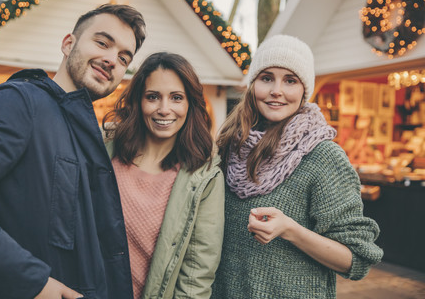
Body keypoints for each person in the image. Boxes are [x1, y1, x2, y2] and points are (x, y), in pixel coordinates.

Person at [0, 4, 146, 299]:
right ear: (68, 44)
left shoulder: (87, 135)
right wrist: (33, 283)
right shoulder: (19, 103)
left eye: (123, 57)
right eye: (102, 43)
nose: (111, 59)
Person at [211, 35, 384, 299]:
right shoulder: (227, 149)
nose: (276, 90)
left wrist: (291, 230)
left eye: (290, 80)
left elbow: (356, 260)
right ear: (253, 84)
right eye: (266, 77)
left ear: (304, 90)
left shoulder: (323, 157)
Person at [103, 52, 224, 299]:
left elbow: (196, 276)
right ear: (139, 100)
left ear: (190, 104)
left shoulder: (204, 177)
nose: (164, 109)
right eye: (153, 97)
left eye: (176, 98)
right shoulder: (105, 151)